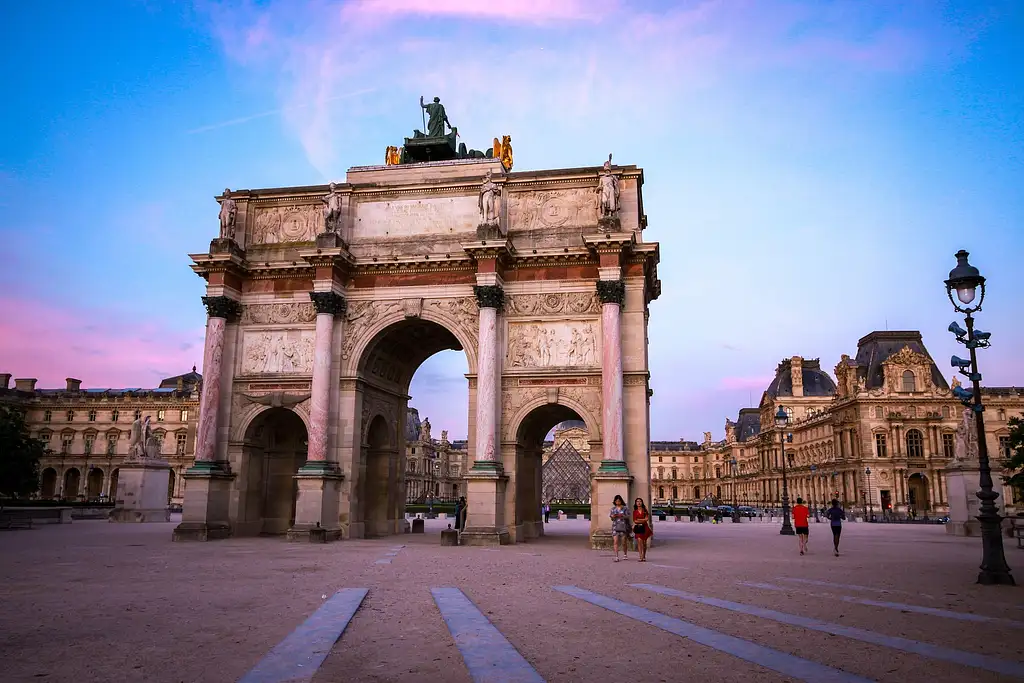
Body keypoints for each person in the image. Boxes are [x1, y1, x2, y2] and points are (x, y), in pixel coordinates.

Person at [632, 498, 653, 562]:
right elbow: (635, 521)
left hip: (645, 528)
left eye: (640, 501)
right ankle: (640, 556)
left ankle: (644, 555)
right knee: (639, 541)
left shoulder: (645, 510)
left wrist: (639, 520)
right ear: (635, 503)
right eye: (637, 501)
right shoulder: (635, 512)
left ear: (642, 502)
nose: (638, 503)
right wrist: (642, 520)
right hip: (638, 528)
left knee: (644, 543)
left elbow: (646, 519)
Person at [610, 495, 630, 561]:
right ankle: (616, 556)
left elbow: (628, 516)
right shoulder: (613, 509)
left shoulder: (625, 508)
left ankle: (625, 554)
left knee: (624, 542)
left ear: (621, 501)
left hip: (623, 526)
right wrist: (613, 516)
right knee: (615, 541)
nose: (617, 502)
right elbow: (612, 518)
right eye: (616, 501)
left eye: (619, 501)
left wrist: (622, 516)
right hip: (615, 526)